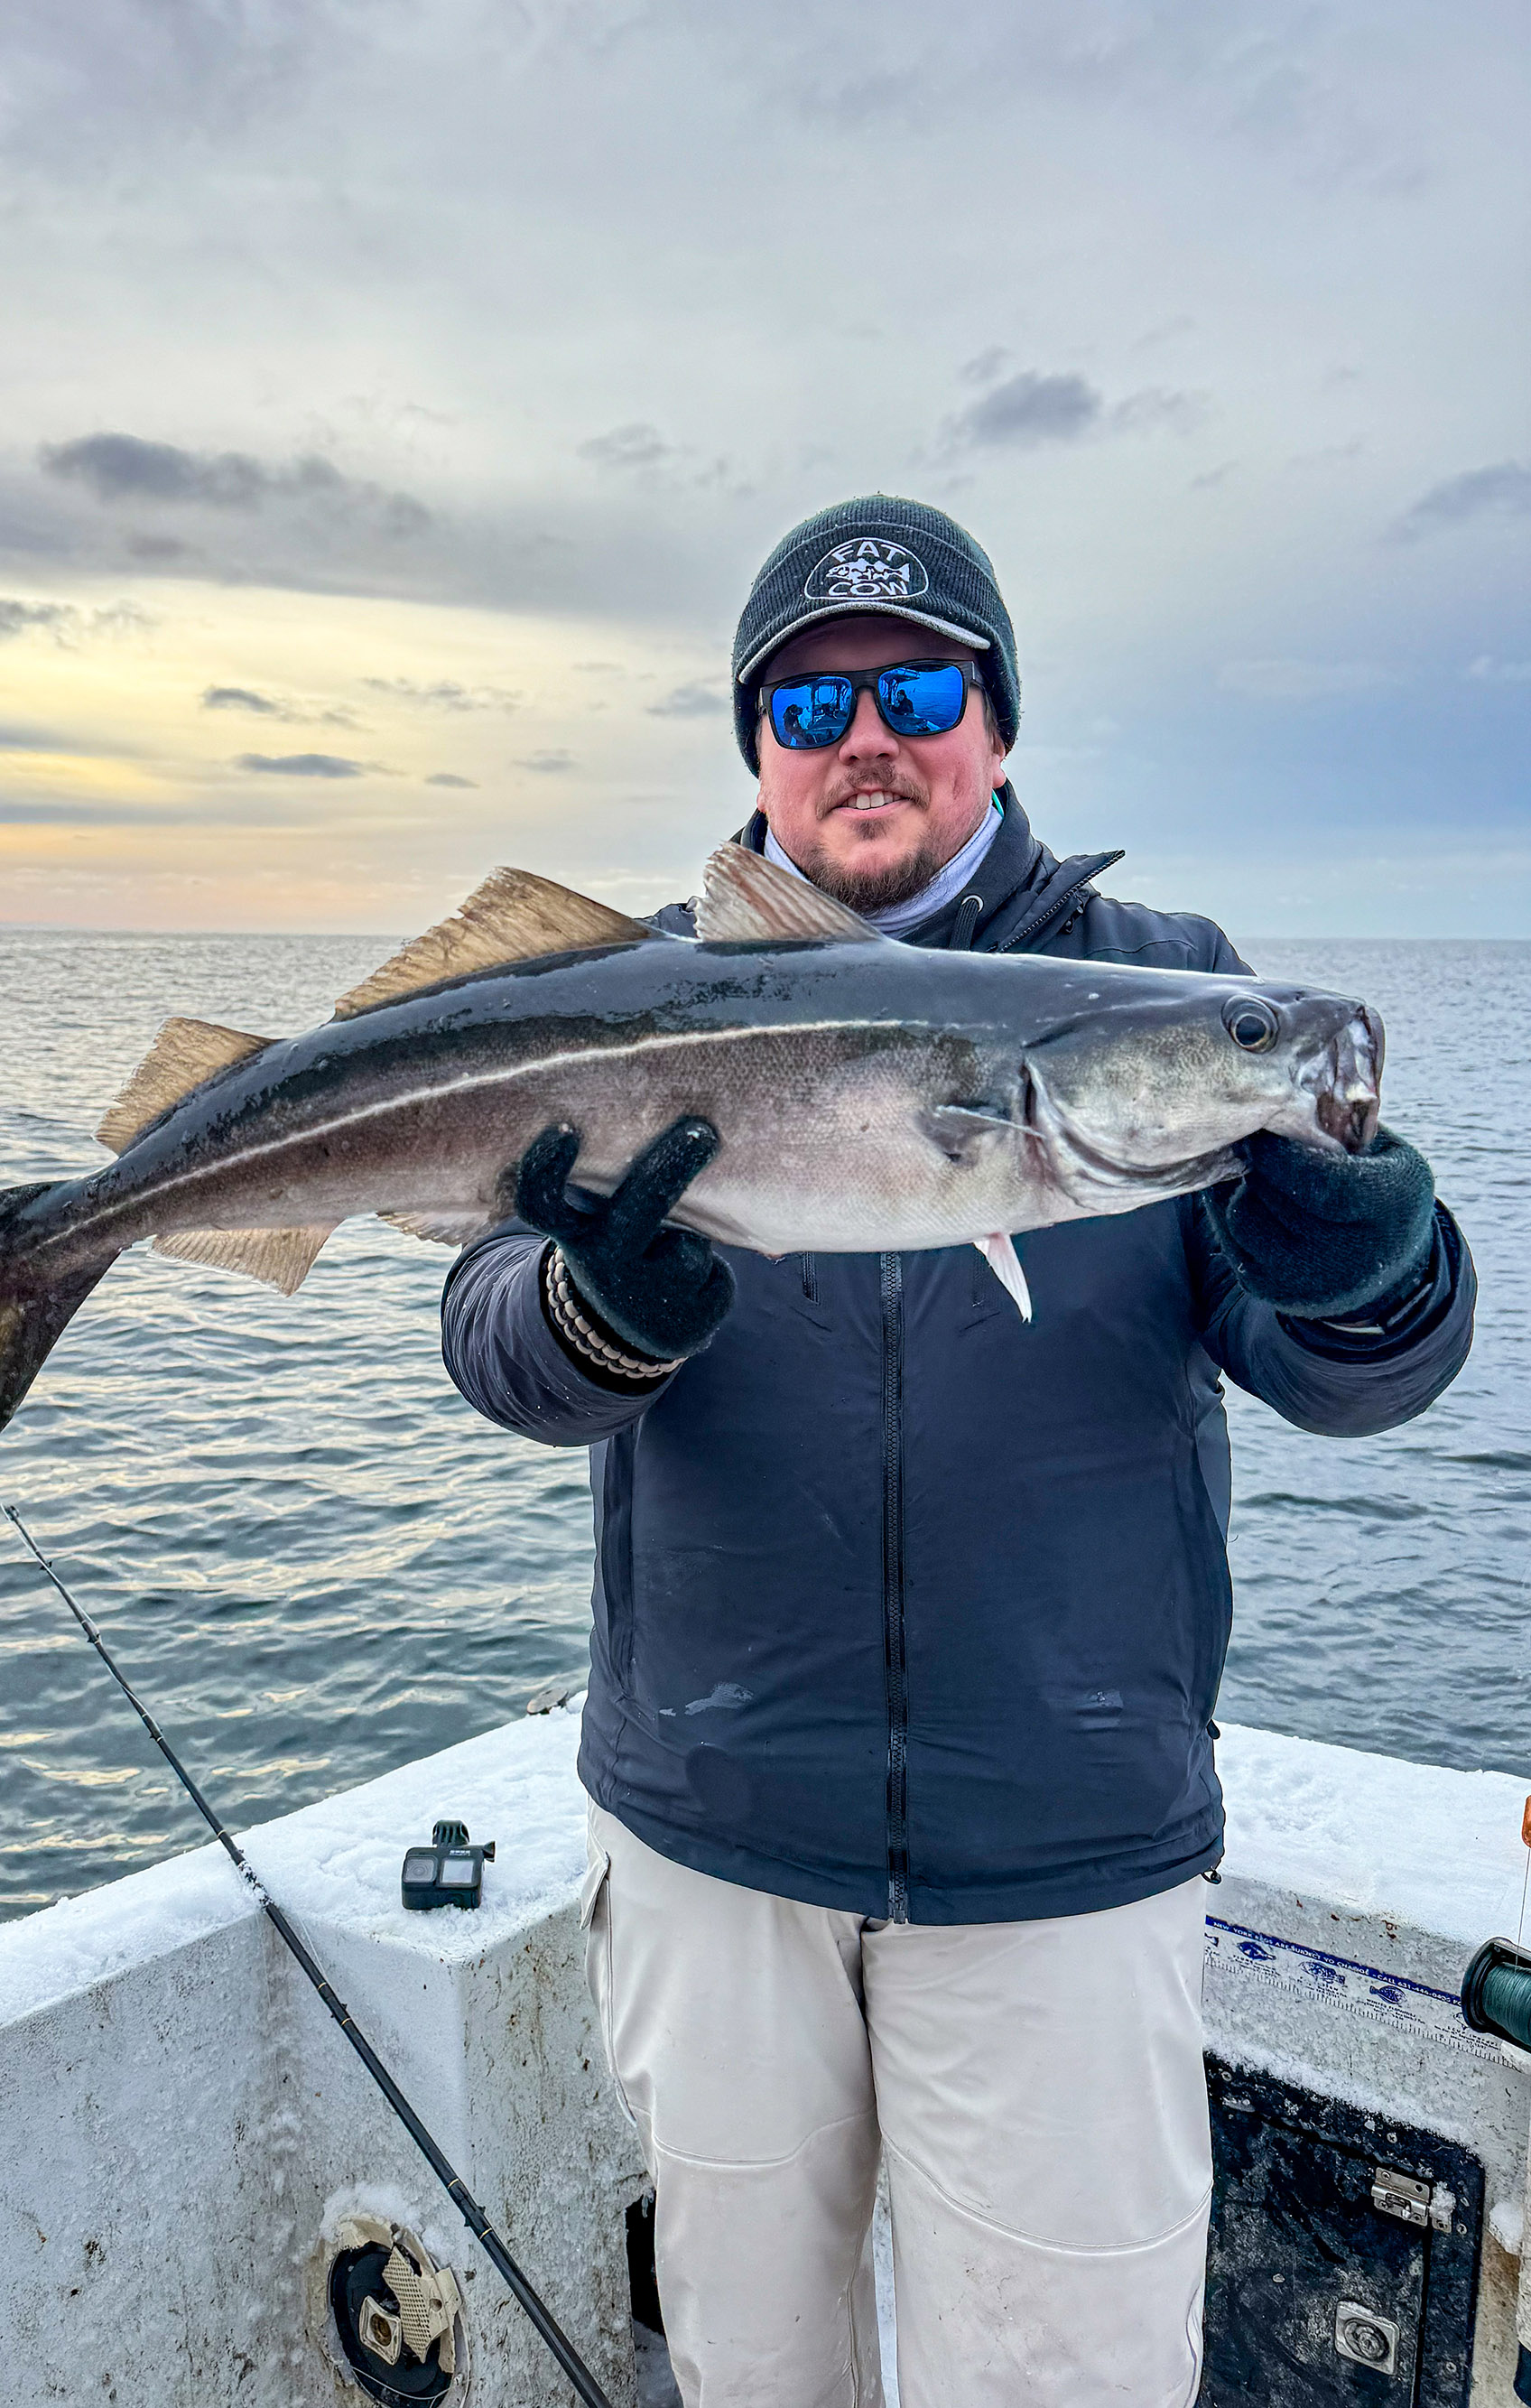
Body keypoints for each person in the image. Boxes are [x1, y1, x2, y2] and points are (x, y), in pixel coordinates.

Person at [441, 496, 1476, 2407]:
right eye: (806, 698)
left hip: (1064, 1853)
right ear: (752, 743)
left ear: (994, 723)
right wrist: (604, 1314)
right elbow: (496, 1351)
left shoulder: (1169, 992)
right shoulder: (611, 1007)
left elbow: (1354, 1373)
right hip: (711, 1836)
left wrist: (1373, 1259)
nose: (864, 733)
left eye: (916, 683)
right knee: (754, 2373)